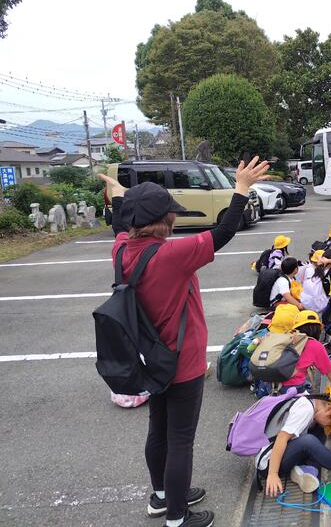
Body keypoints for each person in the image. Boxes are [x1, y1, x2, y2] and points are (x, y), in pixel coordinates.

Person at [101, 155, 270, 527]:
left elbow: (119, 226)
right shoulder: (172, 255)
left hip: (149, 358)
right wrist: (241, 187)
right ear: (166, 220)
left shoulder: (121, 251)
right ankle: (177, 518)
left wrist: (119, 195)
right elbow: (223, 232)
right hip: (182, 360)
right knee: (180, 439)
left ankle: (163, 497)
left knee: (158, 430)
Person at [281, 310, 331, 392]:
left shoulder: (287, 338)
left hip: (272, 384)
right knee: (310, 389)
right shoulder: (315, 345)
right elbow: (330, 373)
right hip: (292, 388)